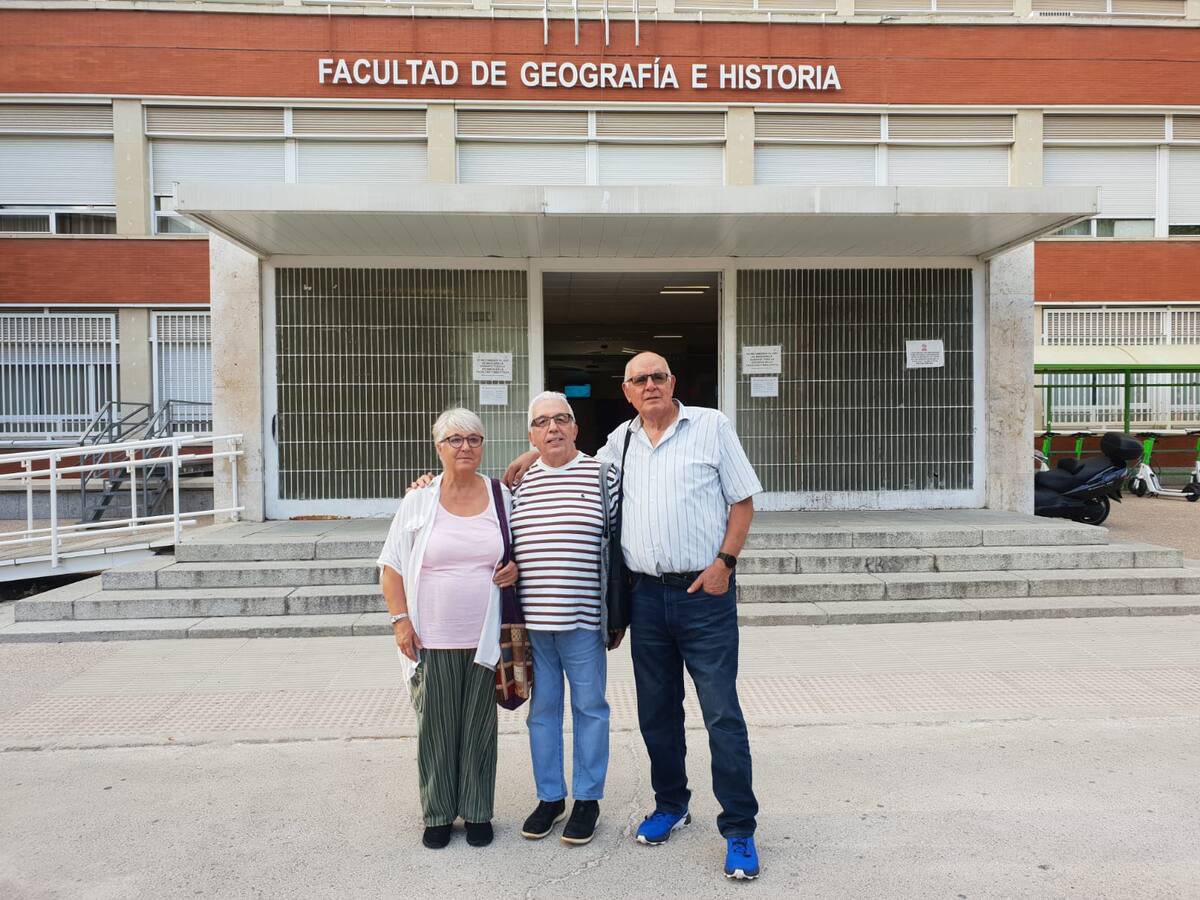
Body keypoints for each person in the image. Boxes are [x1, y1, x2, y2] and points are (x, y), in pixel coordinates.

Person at [505, 352, 763, 880]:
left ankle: (739, 828)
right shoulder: (618, 444)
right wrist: (532, 457)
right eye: (639, 380)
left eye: (658, 377)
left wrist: (725, 564)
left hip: (704, 592)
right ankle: (671, 804)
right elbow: (570, 456)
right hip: (646, 596)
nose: (650, 385)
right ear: (626, 392)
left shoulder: (711, 425)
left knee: (721, 713)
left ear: (674, 382)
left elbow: (742, 501)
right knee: (657, 714)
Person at [377, 407, 518, 851]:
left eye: (474, 439)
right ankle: (437, 813)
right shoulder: (418, 499)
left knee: (479, 729)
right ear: (438, 447)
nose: (465, 447)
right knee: (435, 729)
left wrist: (514, 569)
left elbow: (519, 550)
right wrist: (400, 622)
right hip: (430, 637)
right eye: (455, 439)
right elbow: (391, 567)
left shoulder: (502, 497)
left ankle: (477, 811)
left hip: (484, 638)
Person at [512, 391, 622, 847]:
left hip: (583, 620)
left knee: (590, 709)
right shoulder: (518, 483)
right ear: (532, 434)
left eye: (562, 419)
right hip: (533, 625)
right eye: (542, 422)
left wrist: (618, 615)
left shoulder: (603, 476)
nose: (553, 428)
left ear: (576, 428)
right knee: (542, 712)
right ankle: (550, 797)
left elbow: (619, 545)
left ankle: (588, 799)